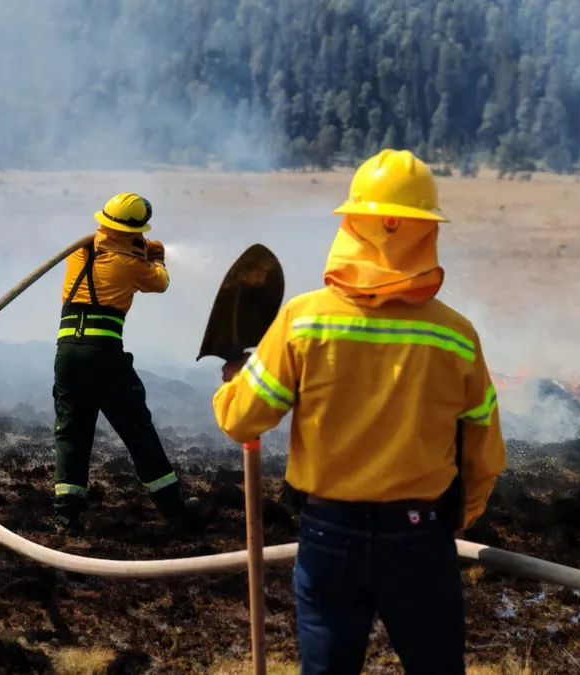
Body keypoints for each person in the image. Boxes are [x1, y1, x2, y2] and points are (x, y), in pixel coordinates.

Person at [211, 149, 507, 673]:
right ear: (427, 232)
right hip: (420, 535)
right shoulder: (456, 336)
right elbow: (482, 451)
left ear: (351, 223)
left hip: (329, 535)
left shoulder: (302, 321)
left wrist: (233, 381)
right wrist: (462, 516)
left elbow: (242, 420)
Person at [50, 192, 205, 534]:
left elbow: (111, 247)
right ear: (134, 230)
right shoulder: (131, 264)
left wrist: (136, 245)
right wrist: (157, 256)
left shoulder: (79, 250)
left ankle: (65, 515)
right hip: (103, 356)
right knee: (137, 430)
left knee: (72, 432)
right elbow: (160, 282)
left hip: (67, 354)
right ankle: (175, 512)